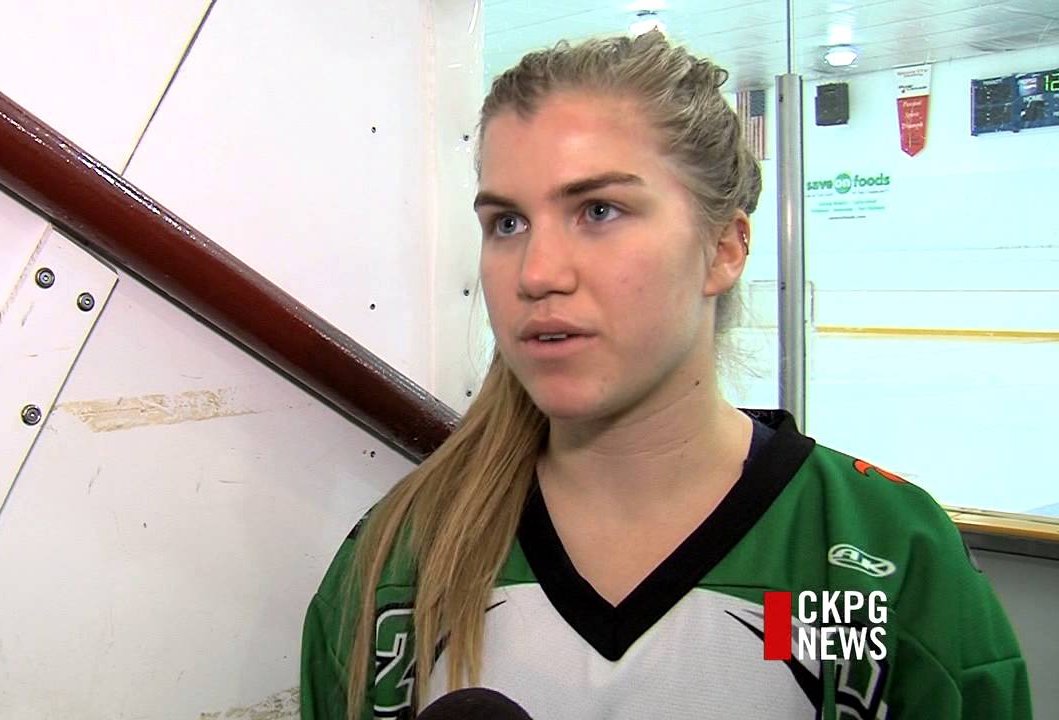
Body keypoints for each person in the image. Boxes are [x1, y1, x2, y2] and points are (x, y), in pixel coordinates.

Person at [300, 32, 1030, 719]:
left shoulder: (879, 558)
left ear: (725, 248)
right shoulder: (397, 562)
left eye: (599, 210)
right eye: (507, 223)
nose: (537, 273)